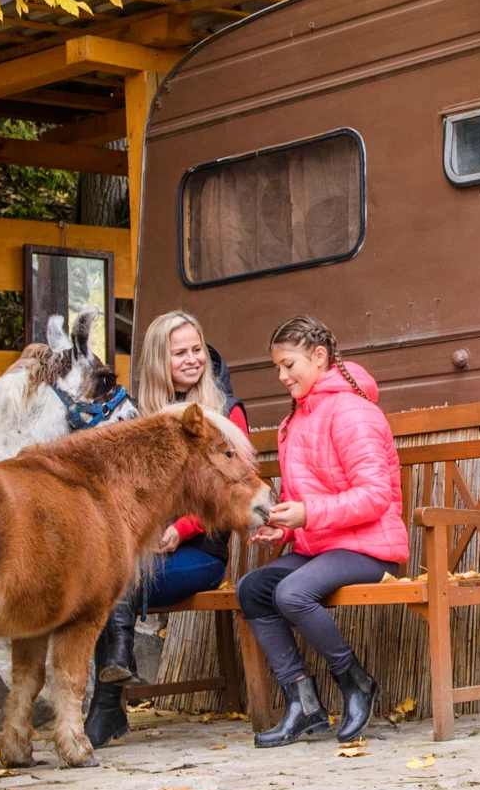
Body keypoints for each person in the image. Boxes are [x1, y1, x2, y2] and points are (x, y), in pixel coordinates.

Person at [84, 310, 250, 747]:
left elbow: (238, 488)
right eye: (180, 353)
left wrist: (181, 528)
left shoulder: (226, 411)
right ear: (161, 360)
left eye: (197, 349)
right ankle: (112, 690)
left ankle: (107, 704)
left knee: (114, 582)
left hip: (201, 552)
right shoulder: (141, 418)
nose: (193, 359)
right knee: (105, 575)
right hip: (143, 547)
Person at [238, 315, 406, 747]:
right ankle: (303, 703)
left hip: (369, 548)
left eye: (288, 364)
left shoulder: (352, 412)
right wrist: (286, 530)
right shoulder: (295, 419)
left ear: (319, 357)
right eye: (277, 367)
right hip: (323, 547)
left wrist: (309, 515)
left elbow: (376, 495)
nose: (281, 376)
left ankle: (355, 682)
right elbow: (306, 499)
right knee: (254, 588)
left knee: (291, 592)